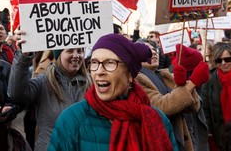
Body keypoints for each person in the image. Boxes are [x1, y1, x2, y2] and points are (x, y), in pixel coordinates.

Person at [48, 33, 177, 151]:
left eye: (110, 63)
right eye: (94, 63)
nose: (99, 71)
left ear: (130, 74)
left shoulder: (157, 119)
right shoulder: (71, 120)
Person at [8, 29, 92, 151]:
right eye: (70, 50)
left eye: (80, 50)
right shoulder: (43, 82)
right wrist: (23, 56)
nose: (76, 55)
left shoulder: (91, 84)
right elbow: (16, 93)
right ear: (58, 55)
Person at [135, 39, 209, 151]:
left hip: (179, 137)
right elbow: (160, 107)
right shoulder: (136, 79)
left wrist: (184, 84)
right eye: (148, 50)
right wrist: (193, 82)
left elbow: (193, 107)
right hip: (158, 141)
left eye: (155, 50)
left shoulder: (166, 75)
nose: (154, 53)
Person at [202, 42, 231, 150]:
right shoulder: (209, 81)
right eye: (218, 60)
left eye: (227, 59)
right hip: (221, 136)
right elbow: (206, 111)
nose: (223, 63)